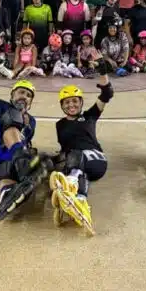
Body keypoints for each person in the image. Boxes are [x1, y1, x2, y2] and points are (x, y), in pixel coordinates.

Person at [0, 80, 55, 219]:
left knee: (38, 158)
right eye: (21, 92)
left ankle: (7, 192)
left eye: (28, 95)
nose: (24, 96)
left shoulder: (31, 121)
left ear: (31, 102)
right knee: (13, 117)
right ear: (12, 95)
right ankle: (22, 163)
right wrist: (16, 119)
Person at [50, 69, 113, 236]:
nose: (71, 105)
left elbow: (107, 93)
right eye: (67, 102)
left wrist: (101, 66)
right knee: (64, 163)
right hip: (77, 164)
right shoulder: (60, 125)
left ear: (81, 102)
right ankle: (80, 201)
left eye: (75, 101)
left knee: (75, 157)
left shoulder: (90, 115)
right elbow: (65, 148)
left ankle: (69, 188)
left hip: (95, 159)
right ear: (62, 105)